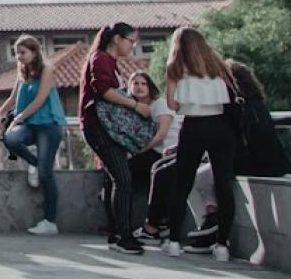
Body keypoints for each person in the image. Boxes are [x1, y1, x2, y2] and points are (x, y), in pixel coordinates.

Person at [156, 28, 240, 263]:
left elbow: (172, 105)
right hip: (221, 127)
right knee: (224, 186)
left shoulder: (175, 68)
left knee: (182, 184)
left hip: (193, 127)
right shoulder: (217, 65)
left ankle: (173, 241)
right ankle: (222, 245)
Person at [81, 22, 153, 254]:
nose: (133, 46)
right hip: (100, 128)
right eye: (131, 41)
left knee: (116, 179)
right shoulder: (101, 60)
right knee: (123, 179)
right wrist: (135, 105)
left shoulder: (108, 61)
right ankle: (123, 235)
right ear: (118, 39)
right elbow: (104, 91)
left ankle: (117, 234)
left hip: (106, 128)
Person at [1, 35, 68, 236]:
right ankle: (35, 163)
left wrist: (18, 118)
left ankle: (50, 221)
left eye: (23, 53)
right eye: (16, 53)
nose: (19, 57)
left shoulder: (47, 70)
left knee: (46, 174)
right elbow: (12, 99)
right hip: (30, 125)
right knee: (11, 138)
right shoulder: (21, 72)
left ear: (34, 52)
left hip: (48, 124)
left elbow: (40, 100)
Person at [128, 72, 177, 246]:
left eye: (143, 83)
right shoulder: (136, 109)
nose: (139, 87)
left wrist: (137, 151)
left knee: (150, 171)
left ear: (150, 87)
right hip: (156, 153)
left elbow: (161, 135)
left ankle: (154, 226)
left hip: (169, 152)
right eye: (135, 83)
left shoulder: (160, 104)